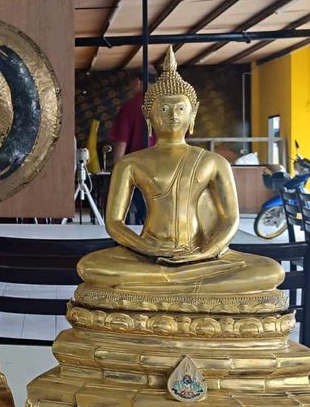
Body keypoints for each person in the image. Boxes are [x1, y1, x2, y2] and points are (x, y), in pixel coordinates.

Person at [78, 47, 282, 298]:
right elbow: (114, 223)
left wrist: (205, 252)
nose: (173, 115)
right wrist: (147, 249)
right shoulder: (130, 163)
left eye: (180, 109)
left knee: (270, 270)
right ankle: (185, 287)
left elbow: (229, 219)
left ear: (192, 114)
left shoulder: (213, 162)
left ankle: (167, 287)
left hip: (199, 254)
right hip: (149, 254)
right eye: (164, 109)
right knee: (89, 266)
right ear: (148, 115)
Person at [110, 68, 153, 224]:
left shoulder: (131, 107)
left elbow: (122, 142)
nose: (129, 88)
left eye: (130, 84)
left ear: (138, 82)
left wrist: (117, 174)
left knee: (141, 218)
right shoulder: (169, 105)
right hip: (167, 171)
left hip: (139, 172)